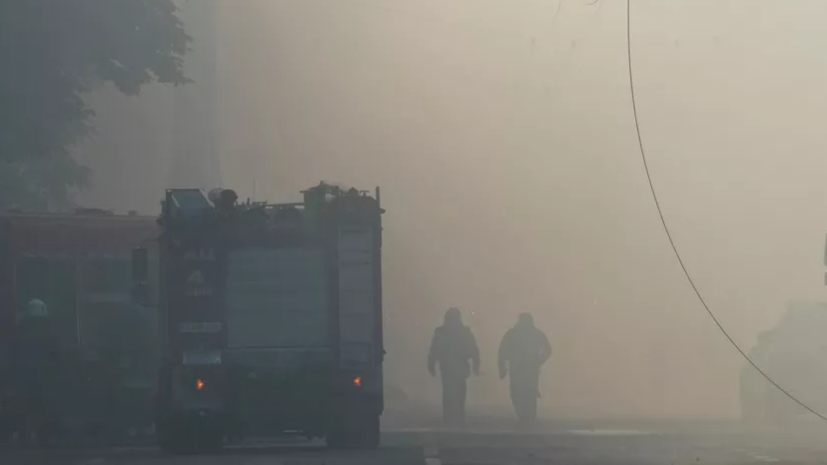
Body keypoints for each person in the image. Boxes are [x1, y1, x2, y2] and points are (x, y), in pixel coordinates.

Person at [10, 299, 61, 446]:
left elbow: (15, 353)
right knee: (44, 404)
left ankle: (26, 434)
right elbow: (55, 355)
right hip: (45, 376)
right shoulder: (49, 330)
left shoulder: (21, 330)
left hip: (26, 376)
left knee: (27, 405)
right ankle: (44, 435)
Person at [428, 308, 480, 426]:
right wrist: (476, 364)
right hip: (456, 367)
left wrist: (431, 363)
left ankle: (450, 417)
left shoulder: (442, 332)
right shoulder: (463, 332)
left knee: (450, 392)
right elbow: (474, 349)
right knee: (458, 392)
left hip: (449, 367)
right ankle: (456, 416)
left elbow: (434, 349)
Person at [498, 313, 551, 425]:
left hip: (520, 369)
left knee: (522, 393)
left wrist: (502, 368)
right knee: (527, 393)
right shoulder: (536, 334)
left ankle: (525, 417)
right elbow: (548, 350)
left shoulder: (512, 334)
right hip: (529, 369)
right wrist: (538, 361)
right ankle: (527, 417)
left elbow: (502, 352)